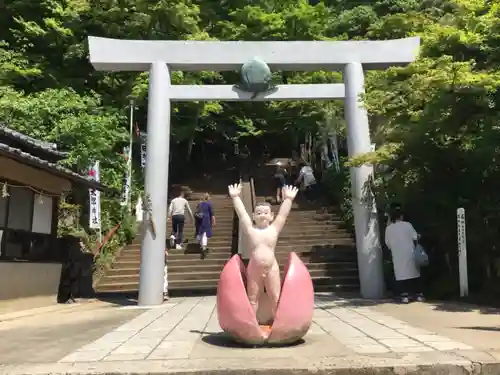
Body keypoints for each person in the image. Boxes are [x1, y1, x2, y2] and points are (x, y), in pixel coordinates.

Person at [228, 182, 298, 318]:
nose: (262, 215)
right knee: (252, 298)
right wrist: (236, 197)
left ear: (271, 216)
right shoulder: (251, 230)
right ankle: (251, 325)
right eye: (259, 213)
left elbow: (282, 216)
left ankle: (278, 323)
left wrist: (288, 200)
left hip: (272, 267)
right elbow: (242, 215)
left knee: (276, 297)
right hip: (254, 268)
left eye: (266, 213)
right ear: (253, 216)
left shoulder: (274, 229)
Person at [384, 206, 425, 303]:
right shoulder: (408, 225)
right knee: (414, 273)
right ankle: (418, 294)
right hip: (409, 252)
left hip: (397, 254)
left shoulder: (389, 228)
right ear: (401, 216)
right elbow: (415, 237)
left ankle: (404, 295)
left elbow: (387, 243)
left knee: (401, 274)